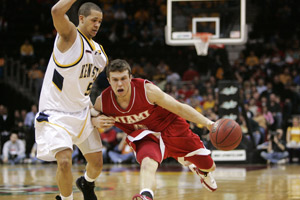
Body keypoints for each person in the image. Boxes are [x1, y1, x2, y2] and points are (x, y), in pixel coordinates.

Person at [92, 59, 217, 200]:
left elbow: (179, 108)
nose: (119, 84)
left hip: (171, 128)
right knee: (147, 162)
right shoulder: (102, 102)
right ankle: (146, 196)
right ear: (108, 80)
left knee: (210, 165)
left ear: (130, 78)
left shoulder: (147, 91)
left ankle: (201, 170)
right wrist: (94, 120)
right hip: (145, 137)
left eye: (123, 79)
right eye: (115, 80)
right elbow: (87, 117)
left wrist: (208, 123)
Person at [34, 1, 112, 200]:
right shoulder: (69, 37)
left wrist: (96, 113)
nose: (97, 25)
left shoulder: (101, 55)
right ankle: (65, 199)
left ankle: (86, 182)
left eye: (100, 22)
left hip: (82, 112)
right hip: (56, 114)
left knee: (96, 164)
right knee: (65, 161)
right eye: (94, 20)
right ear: (81, 18)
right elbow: (56, 11)